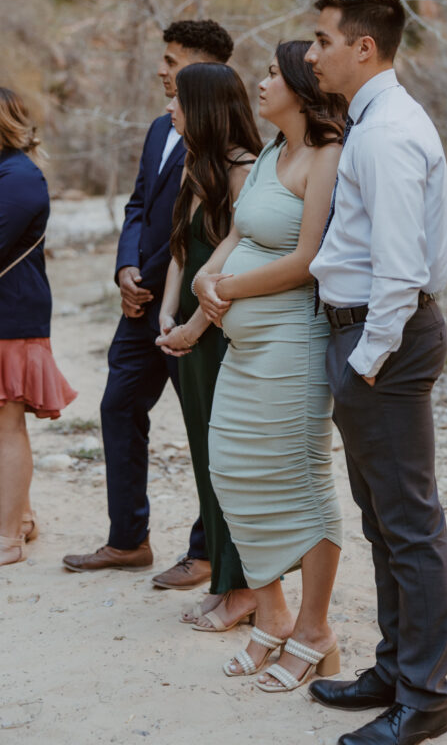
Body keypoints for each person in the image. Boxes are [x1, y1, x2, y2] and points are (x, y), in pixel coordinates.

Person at [306, 0, 447, 745]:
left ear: (363, 47)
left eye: (322, 40)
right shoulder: (369, 122)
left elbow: (401, 269)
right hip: (366, 338)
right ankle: (395, 669)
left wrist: (364, 359)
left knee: (408, 523)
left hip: (382, 340)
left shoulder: (387, 131)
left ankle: (425, 698)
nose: (311, 54)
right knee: (383, 520)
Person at [194, 40, 345, 690]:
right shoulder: (269, 157)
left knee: (299, 481)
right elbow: (238, 235)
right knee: (232, 467)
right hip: (246, 347)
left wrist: (225, 291)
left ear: (299, 87)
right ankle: (274, 615)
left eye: (269, 74)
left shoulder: (326, 158)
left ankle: (316, 632)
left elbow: (309, 258)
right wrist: (206, 274)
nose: (257, 83)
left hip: (293, 344)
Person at [63, 19, 234, 588]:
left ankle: (207, 551)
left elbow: (207, 228)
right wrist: (125, 267)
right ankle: (128, 538)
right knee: (117, 406)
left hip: (191, 307)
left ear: (206, 68)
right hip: (139, 305)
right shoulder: (159, 129)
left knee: (203, 426)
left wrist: (156, 277)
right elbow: (139, 205)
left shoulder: (224, 140)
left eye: (171, 60)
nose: (161, 70)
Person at [155, 63, 261, 628]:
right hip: (188, 327)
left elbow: (233, 262)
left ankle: (244, 588)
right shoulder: (194, 167)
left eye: (179, 100)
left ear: (208, 107)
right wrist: (168, 311)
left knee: (231, 461)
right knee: (203, 457)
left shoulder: (247, 170)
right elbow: (180, 249)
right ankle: (223, 580)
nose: (170, 108)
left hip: (224, 328)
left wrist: (195, 321)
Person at [0, 86, 76, 573]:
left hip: (8, 316)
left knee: (3, 425)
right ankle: (23, 517)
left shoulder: (17, 176)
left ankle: (7, 538)